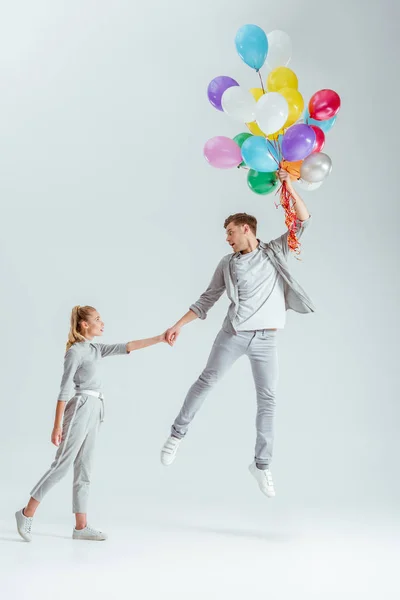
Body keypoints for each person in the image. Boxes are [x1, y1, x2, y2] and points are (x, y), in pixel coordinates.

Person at [160, 169, 315, 498]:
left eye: (230, 232)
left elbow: (302, 221)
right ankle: (176, 435)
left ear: (247, 229)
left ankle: (261, 466)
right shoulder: (227, 264)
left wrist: (288, 186)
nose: (227, 238)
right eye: (226, 234)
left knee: (268, 400)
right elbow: (207, 299)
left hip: (267, 339)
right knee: (207, 381)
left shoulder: (274, 252)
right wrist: (177, 325)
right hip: (234, 334)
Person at [16, 305, 166, 542]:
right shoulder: (75, 352)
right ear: (84, 324)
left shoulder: (95, 349)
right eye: (97, 319)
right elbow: (64, 391)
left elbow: (128, 346)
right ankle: (26, 513)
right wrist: (57, 426)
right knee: (62, 466)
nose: (102, 322)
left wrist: (160, 338)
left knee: (85, 468)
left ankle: (80, 526)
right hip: (80, 407)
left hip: (96, 409)